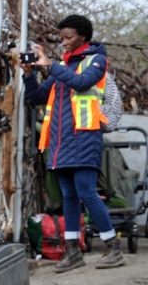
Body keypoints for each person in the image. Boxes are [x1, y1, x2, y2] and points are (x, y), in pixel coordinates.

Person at [21, 14, 123, 271]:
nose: (64, 42)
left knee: (87, 193)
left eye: (69, 38)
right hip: (60, 142)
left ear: (84, 38)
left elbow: (81, 83)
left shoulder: (96, 60)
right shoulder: (63, 67)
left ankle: (113, 248)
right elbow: (38, 97)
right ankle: (73, 253)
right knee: (68, 196)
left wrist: (51, 65)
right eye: (61, 38)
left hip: (85, 137)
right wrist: (29, 74)